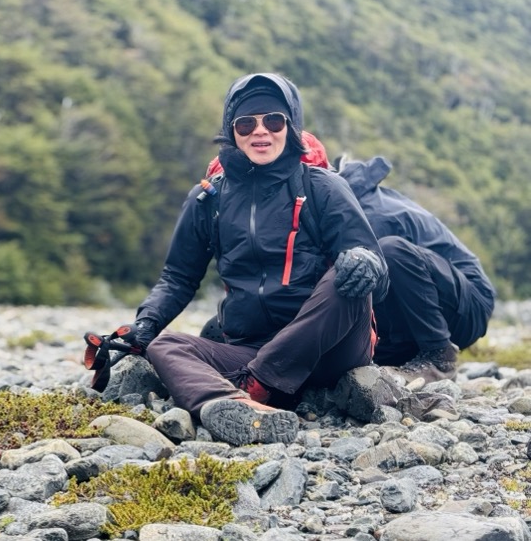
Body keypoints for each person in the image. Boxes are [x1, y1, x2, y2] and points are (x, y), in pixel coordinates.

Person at [110, 73, 389, 446]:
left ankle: (258, 387)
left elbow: (379, 274)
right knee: (165, 345)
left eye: (273, 121)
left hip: (330, 350)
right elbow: (178, 278)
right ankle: (230, 406)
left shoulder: (322, 187)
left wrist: (365, 262)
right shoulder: (208, 199)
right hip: (250, 348)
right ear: (232, 131)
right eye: (246, 123)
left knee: (348, 274)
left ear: (291, 126)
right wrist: (144, 326)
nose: (261, 132)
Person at [336, 154, 496, 383]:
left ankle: (438, 356)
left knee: (387, 251)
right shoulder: (352, 199)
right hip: (420, 308)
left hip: (468, 306)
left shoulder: (368, 213)